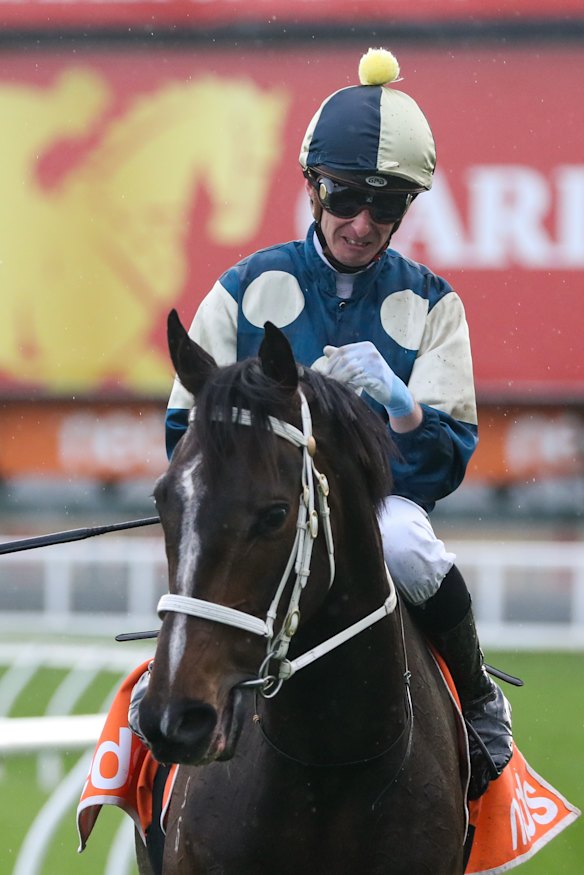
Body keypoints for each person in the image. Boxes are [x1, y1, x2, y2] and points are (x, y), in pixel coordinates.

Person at [162, 47, 513, 800]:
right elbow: (182, 430)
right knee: (206, 538)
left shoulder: (433, 305)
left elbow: (445, 460)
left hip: (369, 514)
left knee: (408, 543)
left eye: (385, 207)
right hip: (262, 509)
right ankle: (146, 724)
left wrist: (401, 404)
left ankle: (479, 698)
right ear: (313, 186)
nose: (361, 223)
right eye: (347, 197)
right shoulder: (245, 287)